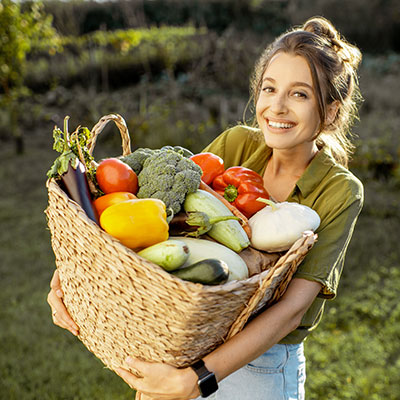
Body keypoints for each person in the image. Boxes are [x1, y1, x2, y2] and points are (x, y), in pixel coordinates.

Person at [47, 16, 364, 400]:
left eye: (300, 94)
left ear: (330, 112)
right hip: (186, 341)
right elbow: (155, 227)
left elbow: (292, 311)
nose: (276, 107)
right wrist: (74, 277)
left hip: (259, 366)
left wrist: (196, 380)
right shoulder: (236, 144)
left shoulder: (339, 190)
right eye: (269, 88)